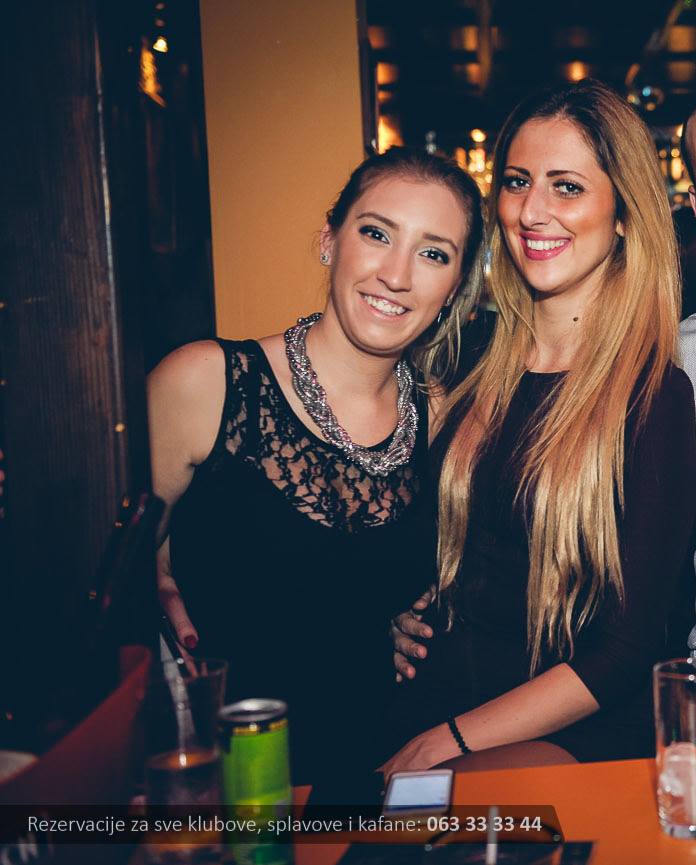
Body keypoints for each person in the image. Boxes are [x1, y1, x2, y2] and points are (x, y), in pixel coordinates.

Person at [380, 80, 696, 775]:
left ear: (624, 214)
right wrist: (393, 615)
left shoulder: (652, 395)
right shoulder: (466, 363)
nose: (531, 211)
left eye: (567, 187)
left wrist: (450, 741)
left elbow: (626, 649)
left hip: (564, 735)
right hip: (434, 704)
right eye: (518, 182)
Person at [149, 147, 484, 786]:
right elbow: (92, 569)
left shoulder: (442, 417)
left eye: (433, 254)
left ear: (454, 290)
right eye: (377, 234)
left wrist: (411, 616)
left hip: (375, 776)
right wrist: (154, 577)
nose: (396, 274)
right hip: (228, 782)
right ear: (330, 241)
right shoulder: (205, 383)